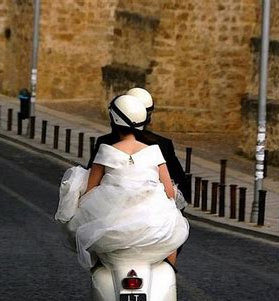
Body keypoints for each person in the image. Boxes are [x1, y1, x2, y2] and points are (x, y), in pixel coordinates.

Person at [57, 95, 189, 270]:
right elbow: (170, 193)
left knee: (93, 242)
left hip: (111, 219)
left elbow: (90, 191)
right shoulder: (154, 151)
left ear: (114, 121)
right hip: (151, 219)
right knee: (172, 236)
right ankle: (171, 271)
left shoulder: (106, 150)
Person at [87, 88, 190, 201]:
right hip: (152, 211)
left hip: (108, 207)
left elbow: (90, 184)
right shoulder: (160, 146)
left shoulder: (105, 144)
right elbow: (178, 189)